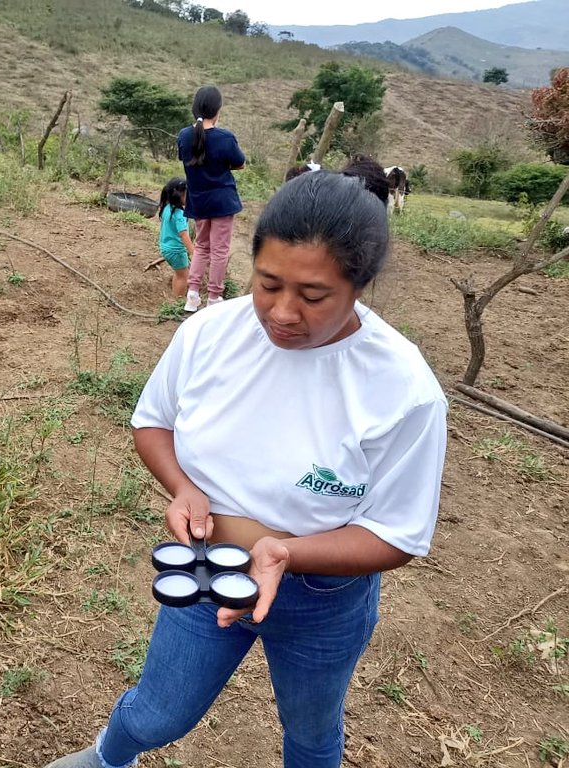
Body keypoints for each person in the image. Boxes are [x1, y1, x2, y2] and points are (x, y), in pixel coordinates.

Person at [45, 170, 448, 768]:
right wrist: (183, 488)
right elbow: (153, 422)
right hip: (206, 568)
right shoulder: (211, 332)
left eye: (313, 296)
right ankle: (107, 757)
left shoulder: (403, 388)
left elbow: (397, 534)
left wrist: (288, 553)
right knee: (161, 710)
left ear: (359, 286)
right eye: (268, 284)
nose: (283, 312)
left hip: (322, 597)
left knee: (311, 731)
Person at [176, 85, 246, 313]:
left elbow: (186, 159)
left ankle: (193, 295)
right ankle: (214, 296)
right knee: (219, 250)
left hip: (199, 201)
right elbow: (240, 163)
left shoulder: (185, 136)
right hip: (222, 201)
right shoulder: (225, 137)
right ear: (218, 110)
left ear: (194, 108)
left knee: (202, 246)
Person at [157, 177, 193, 299]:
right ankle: (179, 301)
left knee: (179, 274)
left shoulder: (167, 208)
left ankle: (174, 298)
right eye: (188, 195)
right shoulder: (179, 214)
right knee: (184, 276)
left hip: (166, 248)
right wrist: (193, 252)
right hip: (176, 251)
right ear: (179, 195)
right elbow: (184, 234)